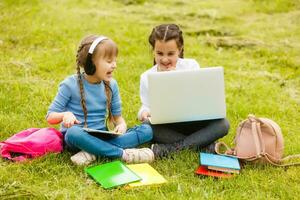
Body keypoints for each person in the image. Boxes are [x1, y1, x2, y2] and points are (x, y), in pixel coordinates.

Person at [47, 35, 154, 165]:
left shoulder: (111, 85)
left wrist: (122, 125)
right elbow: (50, 117)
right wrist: (65, 115)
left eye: (115, 61)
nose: (114, 65)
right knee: (73, 132)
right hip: (77, 138)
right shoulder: (69, 84)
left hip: (102, 135)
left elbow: (117, 118)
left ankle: (93, 152)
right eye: (109, 61)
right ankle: (123, 154)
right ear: (91, 63)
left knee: (147, 130)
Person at [138, 24, 230, 158]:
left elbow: (200, 96)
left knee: (223, 124)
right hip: (168, 125)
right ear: (153, 50)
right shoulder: (146, 77)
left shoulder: (191, 66)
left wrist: (175, 78)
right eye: (159, 53)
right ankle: (203, 145)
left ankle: (169, 149)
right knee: (147, 126)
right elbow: (146, 105)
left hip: (194, 122)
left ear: (179, 50)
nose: (164, 59)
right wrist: (144, 112)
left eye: (170, 54)